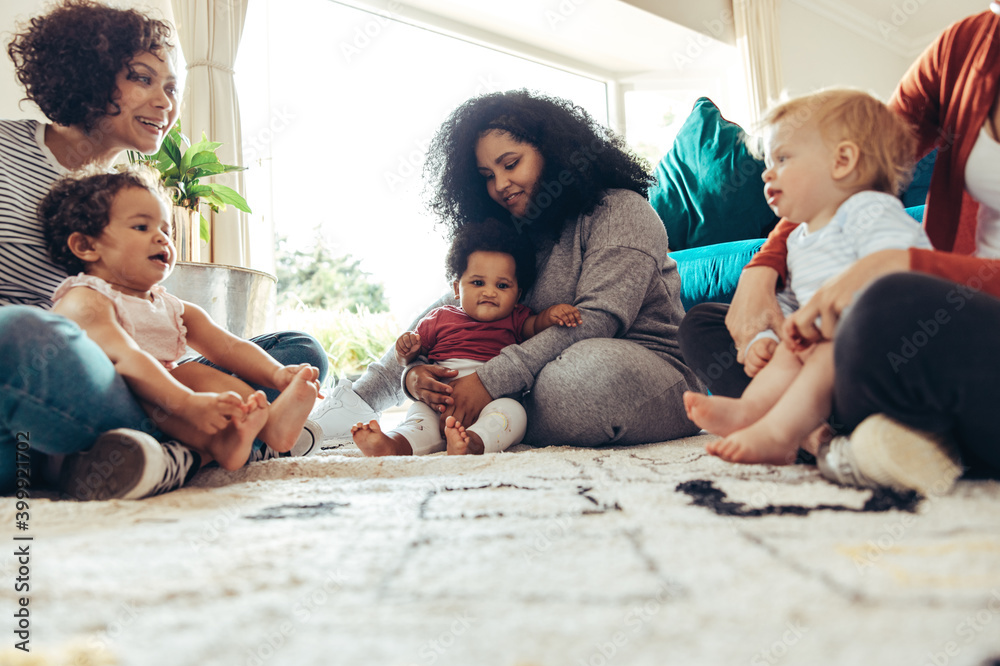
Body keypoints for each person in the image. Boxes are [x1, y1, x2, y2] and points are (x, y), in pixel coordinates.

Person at [0, 0, 328, 500]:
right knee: (22, 332)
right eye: (143, 78)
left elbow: (149, 320)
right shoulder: (6, 149)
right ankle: (208, 446)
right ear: (86, 72)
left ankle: (176, 447)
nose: (166, 102)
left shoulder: (132, 192)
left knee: (297, 352)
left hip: (130, 378)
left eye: (171, 87)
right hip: (44, 367)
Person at [678, 7, 1000, 495]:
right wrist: (762, 272)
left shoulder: (874, 220)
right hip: (902, 341)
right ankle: (830, 435)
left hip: (948, 313)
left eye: (780, 160)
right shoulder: (966, 47)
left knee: (884, 306)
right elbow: (858, 153)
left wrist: (905, 264)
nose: (770, 172)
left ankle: (818, 431)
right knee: (706, 322)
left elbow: (867, 215)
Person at [312, 89, 704, 448]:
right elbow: (452, 311)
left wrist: (486, 380)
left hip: (646, 369)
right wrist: (414, 376)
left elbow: (598, 320)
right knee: (457, 310)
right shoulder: (514, 234)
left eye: (511, 163)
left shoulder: (621, 210)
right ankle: (360, 402)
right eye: (486, 176)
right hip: (531, 376)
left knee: (580, 381)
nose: (500, 184)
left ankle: (470, 417)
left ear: (554, 151)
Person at [682, 89, 934, 466]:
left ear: (843, 160)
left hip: (893, 357)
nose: (767, 172)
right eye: (768, 160)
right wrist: (764, 338)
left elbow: (904, 267)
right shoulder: (800, 237)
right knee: (788, 348)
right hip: (835, 368)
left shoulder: (869, 209)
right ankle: (753, 411)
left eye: (783, 158)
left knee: (821, 349)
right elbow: (788, 304)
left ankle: (779, 434)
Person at [41, 168, 321, 472]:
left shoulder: (172, 307)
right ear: (87, 246)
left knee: (194, 374)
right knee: (176, 378)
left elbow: (228, 347)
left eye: (166, 229)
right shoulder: (86, 297)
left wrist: (278, 375)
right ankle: (229, 444)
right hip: (102, 415)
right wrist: (187, 403)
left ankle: (259, 430)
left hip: (162, 413)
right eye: (140, 226)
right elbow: (126, 358)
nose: (161, 237)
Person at [351, 219, 581, 456]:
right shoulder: (439, 317)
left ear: (517, 295)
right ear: (457, 289)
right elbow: (414, 357)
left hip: (492, 400)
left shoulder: (516, 318)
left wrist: (551, 315)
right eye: (478, 282)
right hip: (438, 400)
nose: (490, 292)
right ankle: (394, 444)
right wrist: (406, 351)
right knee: (419, 420)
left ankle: (473, 442)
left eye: (502, 285)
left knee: (513, 413)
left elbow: (535, 326)